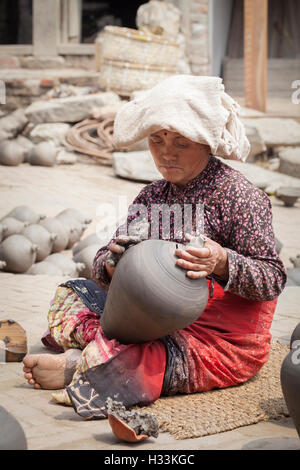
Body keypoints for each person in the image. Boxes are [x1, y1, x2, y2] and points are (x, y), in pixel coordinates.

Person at [23, 75, 286, 418]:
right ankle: (102, 353)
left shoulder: (239, 196)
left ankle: (85, 362)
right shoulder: (152, 196)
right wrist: (113, 264)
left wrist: (221, 261)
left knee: (147, 358)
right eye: (157, 139)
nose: (166, 152)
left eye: (181, 142)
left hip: (215, 339)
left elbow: (272, 278)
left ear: (206, 142)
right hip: (145, 318)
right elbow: (105, 256)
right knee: (70, 295)